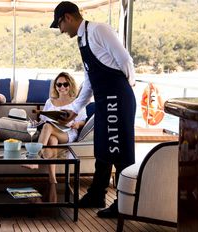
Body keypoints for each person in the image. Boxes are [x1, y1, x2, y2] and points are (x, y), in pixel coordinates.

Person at [50, 1, 136, 218]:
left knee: (120, 152)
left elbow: (125, 60)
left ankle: (125, 203)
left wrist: (126, 86)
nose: (60, 30)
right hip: (104, 101)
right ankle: (96, 194)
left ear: (68, 17)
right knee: (103, 150)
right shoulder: (82, 39)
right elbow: (90, 79)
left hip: (117, 98)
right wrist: (75, 108)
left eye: (59, 24)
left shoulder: (99, 30)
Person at [26, 72, 87, 184]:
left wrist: (77, 125)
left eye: (65, 84)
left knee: (48, 127)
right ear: (55, 86)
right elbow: (44, 120)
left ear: (70, 85)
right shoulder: (50, 101)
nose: (62, 87)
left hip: (68, 132)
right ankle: (52, 179)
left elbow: (83, 120)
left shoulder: (76, 102)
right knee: (52, 139)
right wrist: (37, 122)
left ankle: (34, 158)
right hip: (53, 132)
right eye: (59, 85)